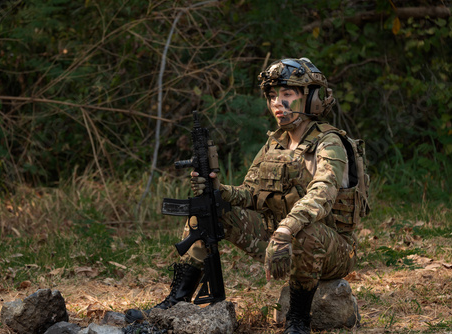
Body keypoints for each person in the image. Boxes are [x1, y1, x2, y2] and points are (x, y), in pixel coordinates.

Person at [127, 58, 366, 334]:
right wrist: (219, 190)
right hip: (279, 240)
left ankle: (297, 319)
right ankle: (177, 298)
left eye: (287, 94)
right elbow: (251, 193)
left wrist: (287, 228)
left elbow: (322, 194)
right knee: (209, 208)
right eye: (272, 96)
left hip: (333, 250)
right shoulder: (275, 142)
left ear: (311, 98)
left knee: (306, 231)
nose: (278, 102)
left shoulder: (329, 143)